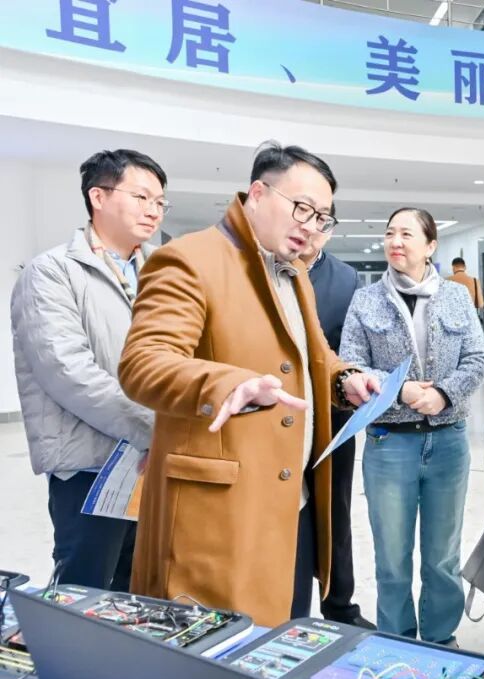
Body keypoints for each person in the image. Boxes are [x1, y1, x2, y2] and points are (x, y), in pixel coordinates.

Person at [118, 142, 380, 627]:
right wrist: (225, 384)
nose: (311, 225)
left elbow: (312, 355)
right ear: (257, 194)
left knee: (279, 642)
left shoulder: (293, 272)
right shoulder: (188, 259)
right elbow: (144, 363)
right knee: (212, 654)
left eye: (322, 217)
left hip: (292, 502)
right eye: (302, 208)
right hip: (218, 515)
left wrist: (344, 378)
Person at [11, 149, 168, 591]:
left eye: (160, 202)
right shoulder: (51, 272)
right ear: (98, 197)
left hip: (153, 460)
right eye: (141, 197)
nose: (153, 210)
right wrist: (154, 429)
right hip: (90, 466)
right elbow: (68, 372)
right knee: (86, 590)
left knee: (143, 587)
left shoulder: (164, 271)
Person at [339, 208, 484, 645]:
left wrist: (443, 394)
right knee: (391, 556)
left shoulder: (456, 296)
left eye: (406, 234)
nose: (395, 242)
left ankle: (441, 638)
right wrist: (398, 390)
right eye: (390, 233)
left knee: (443, 554)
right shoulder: (366, 300)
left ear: (430, 245)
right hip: (390, 443)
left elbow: (477, 358)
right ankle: (397, 639)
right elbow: (351, 365)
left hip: (448, 441)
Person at [299, 210, 373, 628]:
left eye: (323, 224)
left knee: (335, 509)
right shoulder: (265, 267)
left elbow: (352, 345)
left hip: (334, 414)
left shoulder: (346, 279)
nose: (312, 231)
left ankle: (339, 605)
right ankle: (285, 607)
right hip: (278, 412)